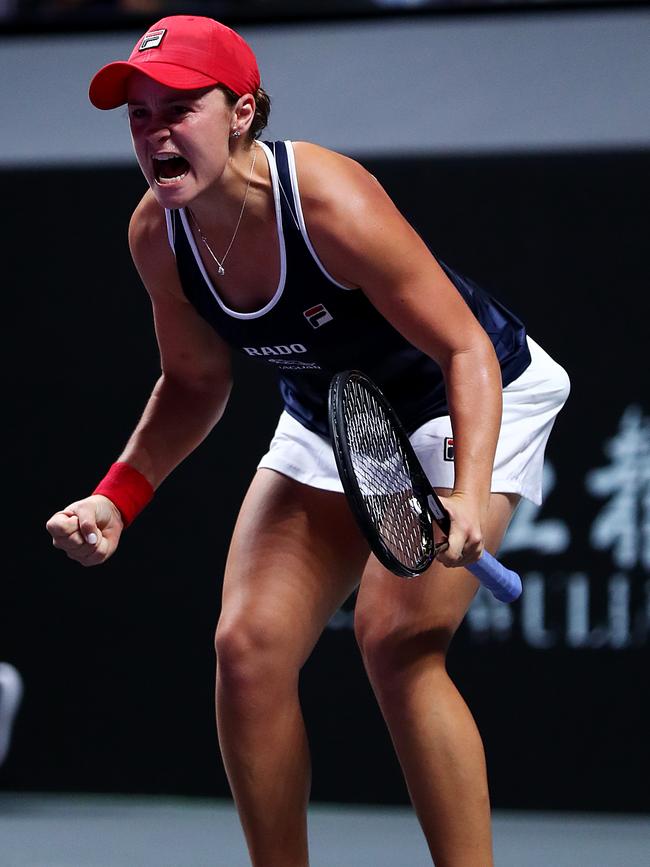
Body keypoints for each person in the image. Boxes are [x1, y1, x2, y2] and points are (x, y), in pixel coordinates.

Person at [46, 15, 569, 867]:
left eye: (180, 106)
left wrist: (467, 493)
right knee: (245, 652)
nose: (154, 132)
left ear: (243, 111)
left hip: (466, 390)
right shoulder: (158, 235)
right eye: (139, 113)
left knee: (395, 641)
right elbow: (194, 383)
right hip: (334, 409)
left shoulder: (328, 201)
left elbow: (464, 346)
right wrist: (118, 495)